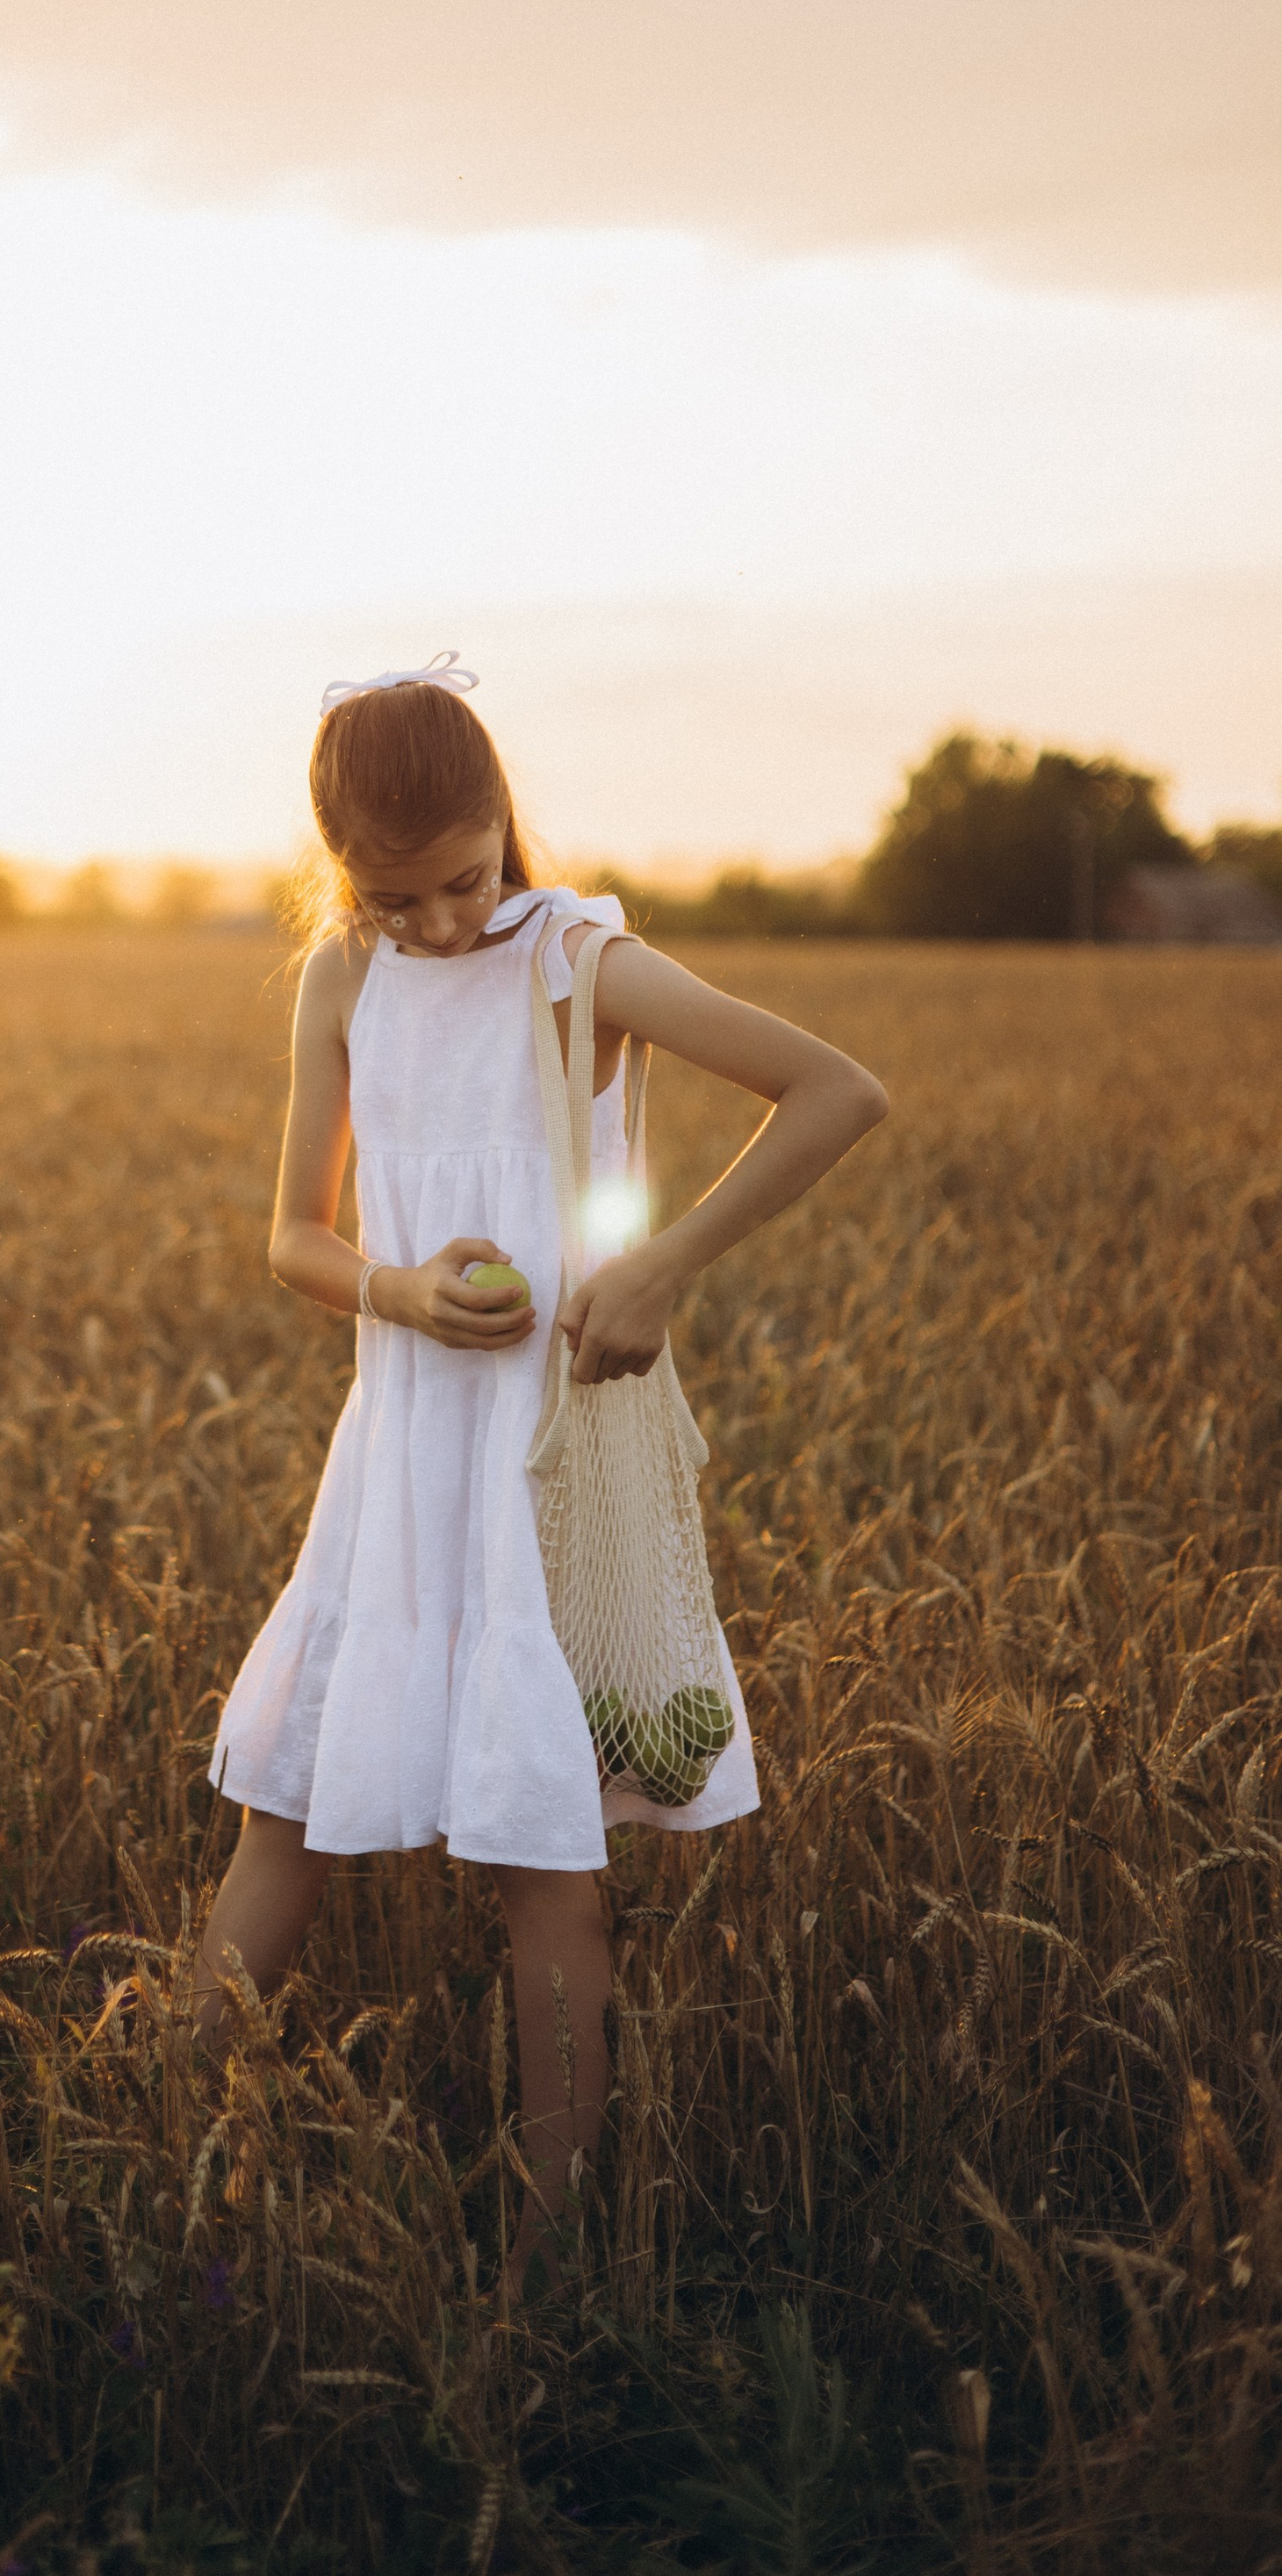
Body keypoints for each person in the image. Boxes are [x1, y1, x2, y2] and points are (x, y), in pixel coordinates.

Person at [197, 656, 887, 2256]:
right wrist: (402, 1289)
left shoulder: (576, 957)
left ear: (501, 818)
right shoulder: (342, 978)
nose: (439, 924)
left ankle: (549, 2250)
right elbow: (292, 1238)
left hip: (552, 1457)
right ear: (338, 872)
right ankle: (154, 2156)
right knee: (280, 1814)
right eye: (393, 894)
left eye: (458, 880)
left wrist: (662, 1264)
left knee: (546, 1859)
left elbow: (837, 1092)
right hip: (397, 1455)